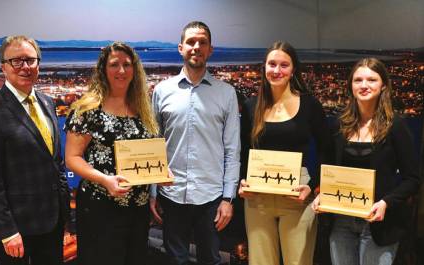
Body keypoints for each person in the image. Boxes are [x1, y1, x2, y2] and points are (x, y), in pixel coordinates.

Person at [0, 35, 70, 265]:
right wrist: (6, 231)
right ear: (3, 67)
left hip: (52, 222)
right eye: (16, 61)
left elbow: (55, 163)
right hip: (17, 230)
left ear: (38, 64)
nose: (25, 67)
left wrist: (64, 215)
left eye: (30, 60)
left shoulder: (47, 102)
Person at [312, 58, 421, 265]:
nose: (364, 85)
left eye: (371, 80)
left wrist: (386, 203)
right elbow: (327, 168)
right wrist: (321, 194)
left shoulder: (396, 126)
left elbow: (412, 179)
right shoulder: (338, 125)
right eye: (358, 80)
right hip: (341, 221)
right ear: (350, 86)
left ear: (383, 86)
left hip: (380, 224)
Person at [150, 21, 241, 265]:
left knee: (211, 260)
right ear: (181, 48)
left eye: (202, 42)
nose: (196, 47)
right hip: (171, 194)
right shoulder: (161, 91)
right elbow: (154, 145)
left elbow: (233, 151)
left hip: (211, 197)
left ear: (210, 49)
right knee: (174, 260)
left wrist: (228, 198)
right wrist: (152, 191)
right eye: (191, 42)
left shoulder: (226, 93)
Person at [64, 42, 159, 265]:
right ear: (103, 70)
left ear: (135, 70)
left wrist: (160, 173)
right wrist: (105, 180)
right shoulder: (87, 109)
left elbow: (148, 154)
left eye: (127, 64)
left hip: (138, 209)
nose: (122, 70)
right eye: (114, 64)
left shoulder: (142, 108)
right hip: (100, 207)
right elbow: (72, 158)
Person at [238, 41, 332, 265]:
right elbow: (243, 151)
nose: (276, 70)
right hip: (258, 194)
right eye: (272, 64)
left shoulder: (310, 105)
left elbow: (327, 150)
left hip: (297, 193)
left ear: (293, 70)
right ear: (264, 68)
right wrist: (241, 182)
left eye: (284, 65)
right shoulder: (252, 106)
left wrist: (314, 185)